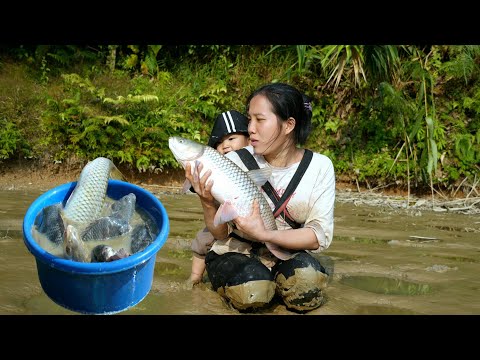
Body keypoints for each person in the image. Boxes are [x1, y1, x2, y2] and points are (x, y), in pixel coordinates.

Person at [185, 82, 335, 312]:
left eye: (260, 120)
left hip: (285, 250)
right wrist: (206, 202)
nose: (251, 128)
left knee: (306, 283)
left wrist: (264, 233)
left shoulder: (320, 167)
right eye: (249, 119)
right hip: (236, 250)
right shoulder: (234, 161)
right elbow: (220, 233)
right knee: (251, 292)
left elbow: (317, 236)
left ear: (288, 125)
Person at [189, 110, 250, 285]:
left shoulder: (257, 164)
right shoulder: (215, 167)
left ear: (248, 139)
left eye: (231, 139)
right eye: (219, 143)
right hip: (221, 219)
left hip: (246, 219)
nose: (225, 146)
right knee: (203, 240)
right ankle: (195, 277)